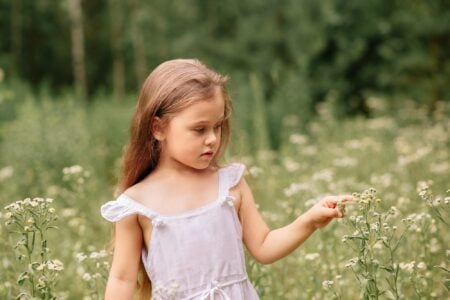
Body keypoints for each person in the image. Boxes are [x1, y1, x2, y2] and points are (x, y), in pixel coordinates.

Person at [100, 58, 351, 300]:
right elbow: (123, 279)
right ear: (158, 128)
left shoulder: (229, 185)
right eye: (199, 129)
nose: (211, 138)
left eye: (217, 126)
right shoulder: (135, 205)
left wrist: (310, 221)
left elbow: (263, 246)